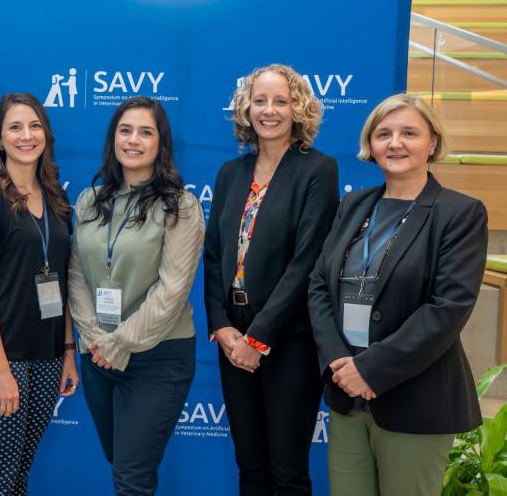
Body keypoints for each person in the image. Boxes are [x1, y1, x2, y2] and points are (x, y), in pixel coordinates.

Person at [308, 94, 487, 495]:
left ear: (433, 144)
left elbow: (448, 308)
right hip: (347, 394)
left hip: (415, 400)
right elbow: (320, 284)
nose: (395, 143)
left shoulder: (459, 213)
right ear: (370, 145)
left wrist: (371, 370)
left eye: (409, 133)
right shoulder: (353, 206)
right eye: (383, 133)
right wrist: (338, 359)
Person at [204, 64, 339, 494]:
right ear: (246, 108)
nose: (269, 110)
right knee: (250, 467)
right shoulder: (231, 173)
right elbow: (212, 257)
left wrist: (257, 338)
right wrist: (222, 326)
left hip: (289, 340)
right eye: (260, 101)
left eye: (280, 101)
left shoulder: (318, 169)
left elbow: (308, 261)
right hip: (232, 338)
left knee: (287, 471)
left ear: (297, 108)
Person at [68, 96, 204, 495]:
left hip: (157, 356)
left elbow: (173, 291)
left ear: (161, 143)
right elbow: (75, 274)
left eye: (146, 132)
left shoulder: (181, 207)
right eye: (125, 130)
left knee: (132, 476)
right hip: (96, 352)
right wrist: (96, 337)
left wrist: (120, 342)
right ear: (113, 138)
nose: (134, 140)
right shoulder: (90, 202)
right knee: (121, 463)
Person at [0, 93, 78, 496]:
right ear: (0, 139)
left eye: (35, 126)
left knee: (21, 468)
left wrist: (68, 352)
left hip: (46, 354)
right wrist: (0, 370)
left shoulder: (57, 198)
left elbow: (63, 282)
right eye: (15, 127)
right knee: (0, 471)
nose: (27, 136)